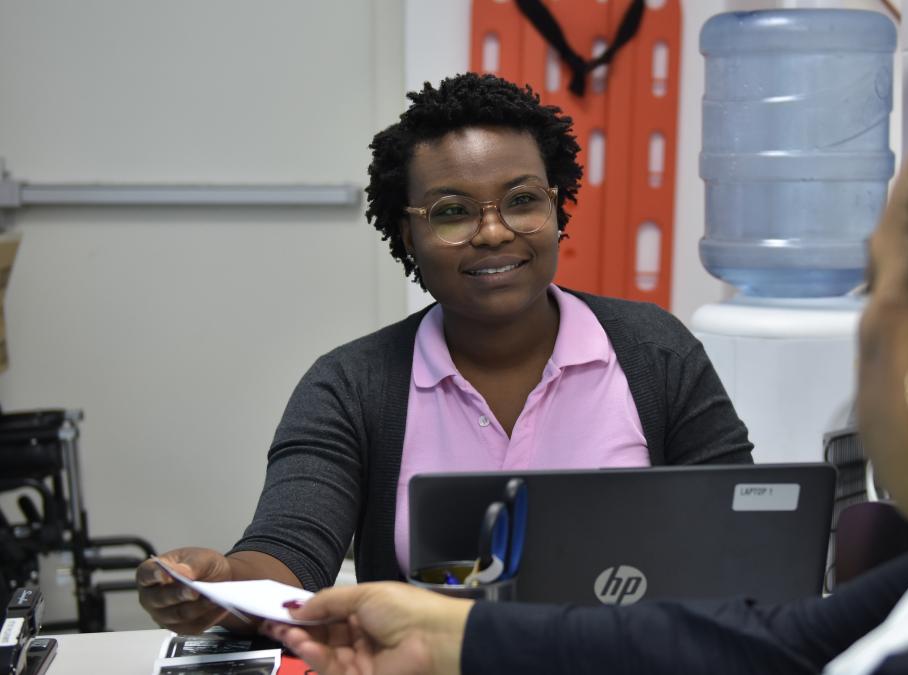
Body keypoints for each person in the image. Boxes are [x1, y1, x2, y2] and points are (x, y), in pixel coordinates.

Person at [266, 81, 908, 674]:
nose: (496, 233)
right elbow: (777, 641)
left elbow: (754, 583)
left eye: (873, 281)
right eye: (455, 212)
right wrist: (450, 637)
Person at [137, 72, 755, 635]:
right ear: (408, 234)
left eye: (522, 200)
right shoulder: (351, 384)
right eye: (451, 212)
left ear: (556, 206)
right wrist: (221, 585)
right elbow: (292, 549)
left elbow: (747, 536)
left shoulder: (654, 352)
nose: (493, 232)